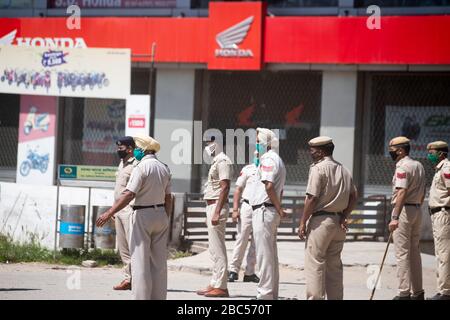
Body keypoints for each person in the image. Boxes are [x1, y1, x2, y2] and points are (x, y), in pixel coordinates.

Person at [96, 134, 172, 300]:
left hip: (142, 214)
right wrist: (166, 217)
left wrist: (109, 212)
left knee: (139, 261)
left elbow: (130, 194)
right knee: (159, 263)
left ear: (143, 150)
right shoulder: (164, 167)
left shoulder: (141, 167)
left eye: (137, 148)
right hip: (160, 214)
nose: (135, 151)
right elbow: (168, 197)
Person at [298, 136, 357, 300]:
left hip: (321, 222)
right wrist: (345, 215)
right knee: (334, 266)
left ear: (321, 151)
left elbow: (312, 198)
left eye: (312, 150)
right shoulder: (344, 169)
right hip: (338, 223)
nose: (310, 153)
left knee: (315, 263)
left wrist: (303, 221)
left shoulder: (318, 169)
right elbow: (354, 196)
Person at [387, 136, 426, 300]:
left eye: (393, 151)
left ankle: (404, 292)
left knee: (402, 253)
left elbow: (401, 191)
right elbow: (424, 190)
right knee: (414, 252)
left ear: (401, 150)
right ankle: (418, 292)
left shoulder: (402, 167)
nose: (392, 154)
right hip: (416, 209)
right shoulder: (419, 165)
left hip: (403, 211)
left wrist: (395, 216)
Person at [252, 128, 286, 300]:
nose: (256, 145)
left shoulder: (268, 159)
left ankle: (264, 296)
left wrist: (278, 208)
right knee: (270, 255)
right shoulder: (277, 159)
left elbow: (269, 186)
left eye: (259, 141)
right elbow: (280, 190)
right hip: (269, 210)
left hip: (264, 210)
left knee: (264, 256)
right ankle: (271, 294)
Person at [196, 135, 233, 298]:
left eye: (210, 143)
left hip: (216, 206)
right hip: (211, 205)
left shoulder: (223, 161)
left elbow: (225, 187)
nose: (208, 146)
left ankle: (222, 287)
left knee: (218, 248)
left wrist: (217, 211)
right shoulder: (216, 161)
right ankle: (215, 282)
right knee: (213, 249)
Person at [228, 159, 261, 283]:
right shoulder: (248, 169)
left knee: (256, 241)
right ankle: (233, 270)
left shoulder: (268, 169)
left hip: (261, 207)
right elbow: (238, 189)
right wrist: (235, 209)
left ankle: (249, 272)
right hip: (247, 206)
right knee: (242, 238)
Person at [426, 140, 450, 300]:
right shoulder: (439, 169)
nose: (429, 155)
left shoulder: (447, 168)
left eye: (432, 152)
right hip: (437, 214)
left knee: (444, 254)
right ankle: (443, 290)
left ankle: (445, 292)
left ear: (441, 153)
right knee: (440, 253)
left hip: (444, 213)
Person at [112, 136, 137, 291]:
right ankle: (128, 278)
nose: (118, 151)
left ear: (130, 149)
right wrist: (114, 208)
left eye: (121, 148)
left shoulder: (136, 165)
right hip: (118, 210)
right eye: (118, 148)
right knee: (123, 248)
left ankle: (135, 278)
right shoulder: (122, 164)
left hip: (129, 210)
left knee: (132, 246)